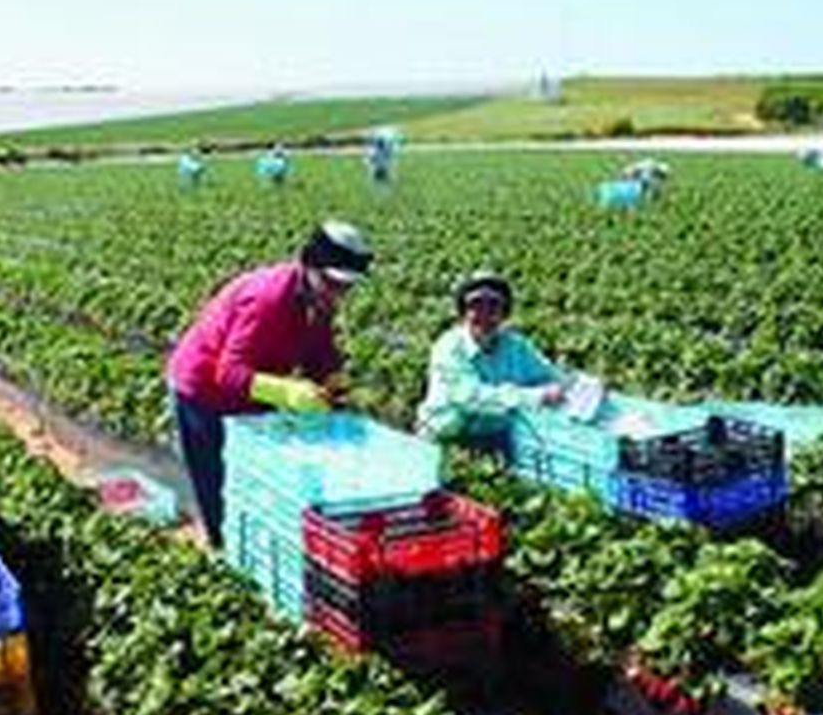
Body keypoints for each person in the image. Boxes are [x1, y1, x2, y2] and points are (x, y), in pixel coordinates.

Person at [166, 220, 372, 548]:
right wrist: (287, 391)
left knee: (255, 474)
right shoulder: (268, 297)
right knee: (215, 477)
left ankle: (256, 542)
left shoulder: (319, 298)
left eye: (346, 287)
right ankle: (219, 544)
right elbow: (228, 372)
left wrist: (336, 390)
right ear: (310, 265)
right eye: (333, 283)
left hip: (255, 380)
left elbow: (321, 352)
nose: (338, 294)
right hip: (203, 388)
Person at [415, 271, 567, 457]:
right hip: (447, 437)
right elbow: (470, 397)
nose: (485, 314)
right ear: (463, 312)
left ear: (504, 314)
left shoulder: (516, 345)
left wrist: (572, 386)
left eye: (494, 305)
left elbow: (548, 376)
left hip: (497, 435)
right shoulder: (448, 348)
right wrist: (535, 396)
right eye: (476, 304)